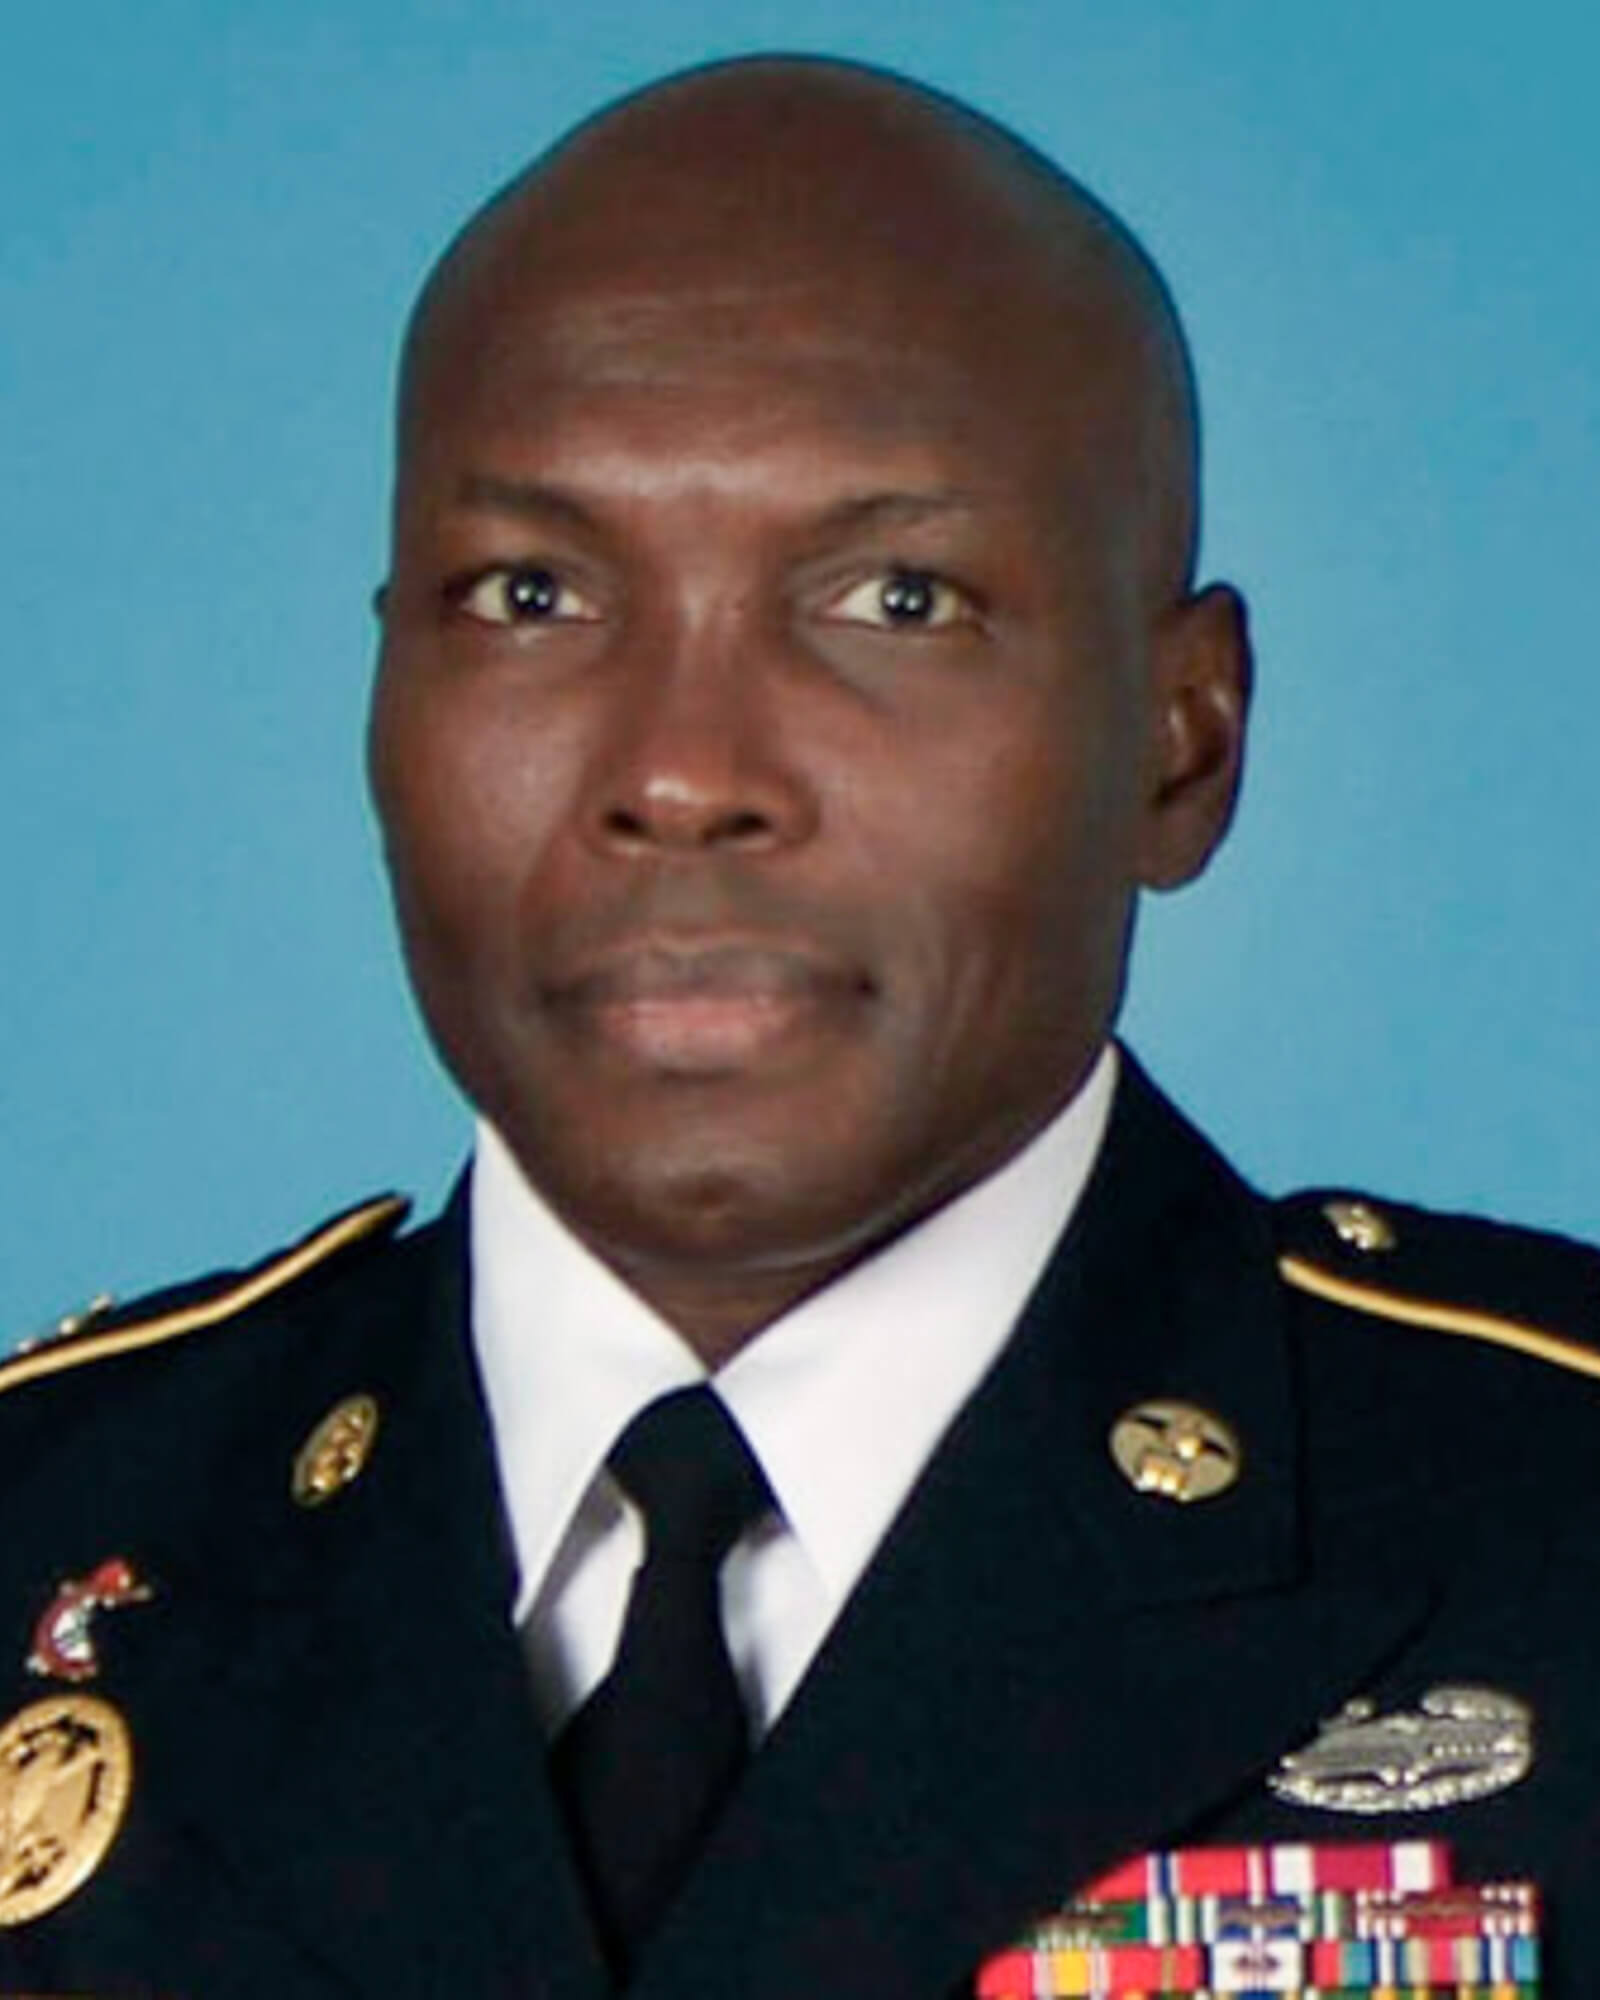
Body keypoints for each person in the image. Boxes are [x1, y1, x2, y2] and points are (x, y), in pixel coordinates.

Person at [2, 54, 1598, 2000]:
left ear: (1180, 743)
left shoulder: (1552, 1520)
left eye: (896, 600)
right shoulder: (52, 1528)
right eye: (528, 593)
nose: (681, 775)